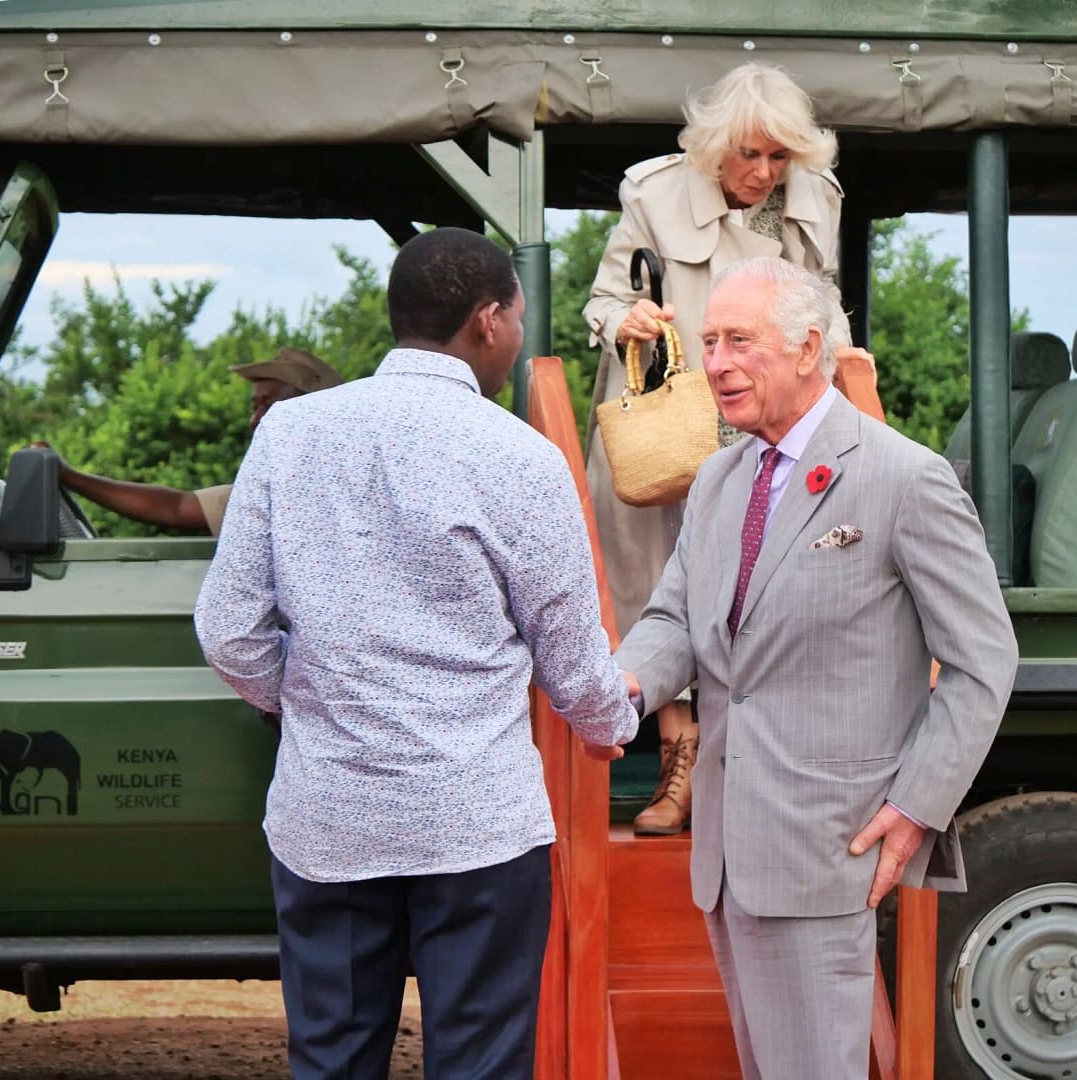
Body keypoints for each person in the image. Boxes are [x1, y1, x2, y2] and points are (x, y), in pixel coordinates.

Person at [193, 227, 638, 1080]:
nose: (515, 333)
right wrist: (608, 722)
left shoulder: (290, 437)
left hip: (331, 816)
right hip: (477, 824)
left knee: (331, 1060)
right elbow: (573, 656)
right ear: (487, 321)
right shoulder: (522, 458)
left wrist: (304, 700)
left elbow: (228, 629)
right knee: (477, 1065)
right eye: (515, 314)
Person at [615, 257, 1018, 1078]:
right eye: (709, 341)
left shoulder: (905, 477)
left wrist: (916, 808)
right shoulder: (719, 479)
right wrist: (617, 688)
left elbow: (983, 661)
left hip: (830, 847)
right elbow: (672, 623)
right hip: (727, 853)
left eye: (738, 341)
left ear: (806, 349)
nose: (717, 362)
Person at [583, 61, 871, 835]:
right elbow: (604, 300)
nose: (765, 173)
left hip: (767, 417)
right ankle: (679, 768)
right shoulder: (652, 192)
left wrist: (847, 363)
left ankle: (745, 776)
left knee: (765, 587)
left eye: (780, 157)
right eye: (750, 155)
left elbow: (825, 306)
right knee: (658, 586)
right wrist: (628, 322)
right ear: (714, 147)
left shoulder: (818, 200)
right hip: (671, 419)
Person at [35, 347, 341, 535]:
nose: (256, 421)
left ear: (310, 414)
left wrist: (68, 474)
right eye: (254, 407)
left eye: (268, 405)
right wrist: (68, 475)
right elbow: (177, 507)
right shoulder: (268, 494)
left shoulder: (339, 495)